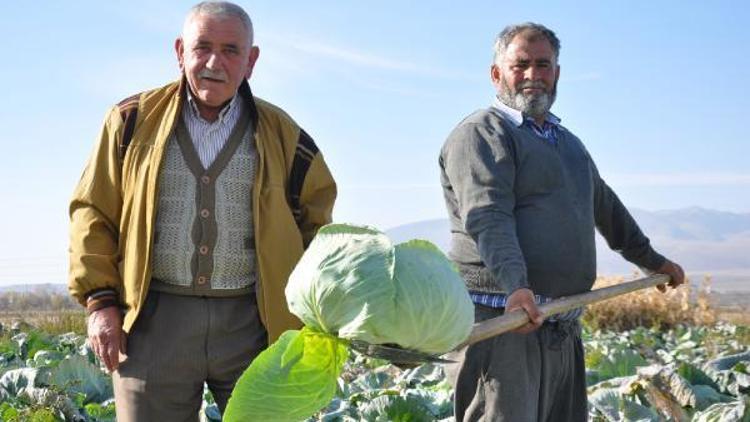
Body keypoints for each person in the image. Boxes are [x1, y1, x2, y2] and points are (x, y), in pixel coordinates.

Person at [68, 2, 336, 419]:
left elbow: (319, 229)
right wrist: (100, 303)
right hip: (153, 326)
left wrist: (321, 312)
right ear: (179, 51)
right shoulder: (130, 122)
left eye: (231, 50)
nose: (215, 62)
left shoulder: (286, 135)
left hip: (256, 325)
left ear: (251, 60)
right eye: (202, 47)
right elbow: (92, 212)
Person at [439, 22, 685, 421]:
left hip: (560, 321)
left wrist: (651, 260)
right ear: (496, 73)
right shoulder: (482, 135)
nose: (533, 75)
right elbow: (488, 216)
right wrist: (515, 285)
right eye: (520, 65)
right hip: (504, 322)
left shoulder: (566, 142)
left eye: (543, 64)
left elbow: (604, 206)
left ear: (557, 73)